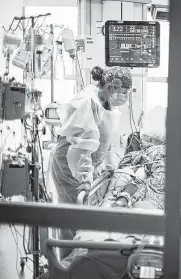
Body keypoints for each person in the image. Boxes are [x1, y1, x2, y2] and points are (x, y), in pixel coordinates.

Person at [50, 66, 132, 258]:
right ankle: (68, 267)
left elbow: (106, 140)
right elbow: (82, 148)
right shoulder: (87, 102)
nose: (124, 97)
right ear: (111, 87)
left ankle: (78, 262)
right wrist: (85, 180)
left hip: (84, 161)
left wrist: (111, 167)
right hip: (69, 160)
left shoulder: (108, 103)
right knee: (72, 220)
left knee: (79, 218)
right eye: (122, 92)